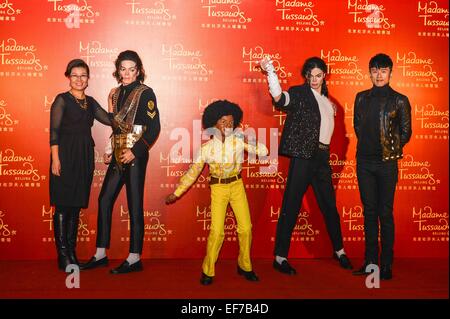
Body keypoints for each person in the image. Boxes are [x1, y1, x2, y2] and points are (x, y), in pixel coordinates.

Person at [260, 56, 353, 275]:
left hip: (322, 158)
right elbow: (280, 98)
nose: (314, 79)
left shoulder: (329, 101)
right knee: (291, 205)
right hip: (303, 156)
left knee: (329, 207)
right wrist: (270, 72)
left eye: (318, 75)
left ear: (324, 76)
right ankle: (280, 257)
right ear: (305, 76)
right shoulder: (301, 93)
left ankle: (339, 250)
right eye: (310, 75)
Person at [165, 100, 268, 285]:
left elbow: (265, 151)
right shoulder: (206, 149)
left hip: (237, 186)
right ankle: (208, 270)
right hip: (218, 189)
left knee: (246, 229)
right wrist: (177, 192)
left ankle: (245, 266)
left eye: (231, 122)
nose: (227, 126)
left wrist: (248, 140)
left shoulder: (238, 142)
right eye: (223, 122)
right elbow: (193, 172)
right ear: (213, 123)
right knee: (217, 231)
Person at [80, 50, 161, 274]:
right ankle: (100, 254)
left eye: (131, 69)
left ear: (138, 70)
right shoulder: (114, 94)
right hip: (117, 152)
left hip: (135, 154)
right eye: (123, 69)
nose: (127, 73)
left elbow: (154, 128)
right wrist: (109, 149)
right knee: (104, 199)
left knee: (135, 204)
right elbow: (116, 127)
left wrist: (134, 152)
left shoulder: (146, 93)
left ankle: (134, 258)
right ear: (118, 70)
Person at [352, 53, 412, 280]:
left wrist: (388, 148)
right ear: (370, 73)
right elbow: (358, 126)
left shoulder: (400, 100)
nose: (379, 74)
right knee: (369, 212)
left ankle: (386, 264)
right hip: (364, 162)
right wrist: (369, 148)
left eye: (383, 70)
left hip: (387, 164)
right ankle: (370, 262)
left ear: (390, 73)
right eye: (375, 70)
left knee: (385, 213)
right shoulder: (360, 98)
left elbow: (406, 132)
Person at [50, 59, 113, 272]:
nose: (79, 79)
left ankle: (72, 251)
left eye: (83, 75)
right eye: (74, 75)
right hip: (65, 155)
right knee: (62, 204)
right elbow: (54, 133)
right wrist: (55, 159)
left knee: (75, 206)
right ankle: (62, 254)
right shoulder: (61, 100)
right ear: (68, 77)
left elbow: (110, 119)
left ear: (88, 78)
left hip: (85, 157)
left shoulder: (91, 102)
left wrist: (114, 101)